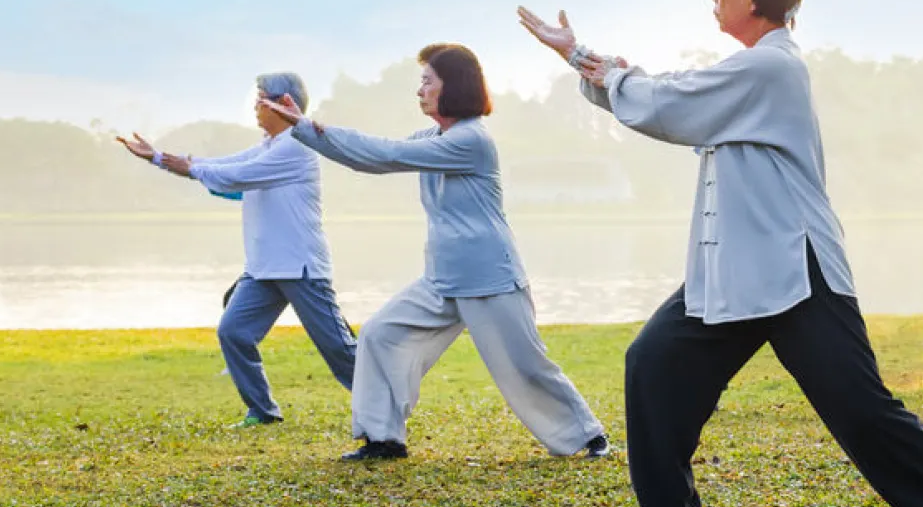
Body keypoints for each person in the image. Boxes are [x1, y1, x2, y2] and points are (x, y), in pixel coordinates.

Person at [517, 0, 923, 507]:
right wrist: (590, 60)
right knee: (653, 366)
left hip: (796, 268)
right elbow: (666, 93)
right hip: (731, 271)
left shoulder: (771, 67)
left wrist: (579, 57)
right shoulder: (748, 70)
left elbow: (668, 102)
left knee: (862, 413)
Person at [263, 43, 609, 461]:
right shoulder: (435, 136)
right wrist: (307, 127)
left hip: (489, 277)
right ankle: (383, 438)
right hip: (442, 278)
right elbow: (374, 152)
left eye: (428, 80)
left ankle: (588, 436)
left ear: (454, 86)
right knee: (380, 334)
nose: (420, 90)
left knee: (524, 364)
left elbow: (385, 156)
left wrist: (304, 126)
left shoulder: (471, 140)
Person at [116, 72, 357, 429]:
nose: (255, 107)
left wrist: (177, 164)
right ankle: (262, 411)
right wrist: (158, 159)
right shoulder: (269, 145)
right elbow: (221, 166)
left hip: (300, 266)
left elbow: (234, 176)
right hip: (263, 268)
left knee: (339, 351)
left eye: (261, 98)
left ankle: (385, 402)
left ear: (283, 103)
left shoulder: (297, 145)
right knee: (234, 332)